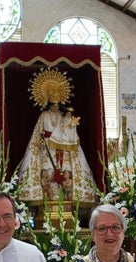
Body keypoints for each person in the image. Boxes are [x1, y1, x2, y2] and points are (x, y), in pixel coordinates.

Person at [18, 69, 98, 205]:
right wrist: (39, 142)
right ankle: (47, 200)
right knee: (47, 172)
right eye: (53, 104)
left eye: (57, 104)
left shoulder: (63, 116)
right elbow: (37, 132)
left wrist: (71, 124)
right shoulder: (44, 115)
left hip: (63, 148)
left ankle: (66, 200)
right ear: (48, 102)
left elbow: (67, 131)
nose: (55, 107)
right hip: (47, 147)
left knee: (64, 170)